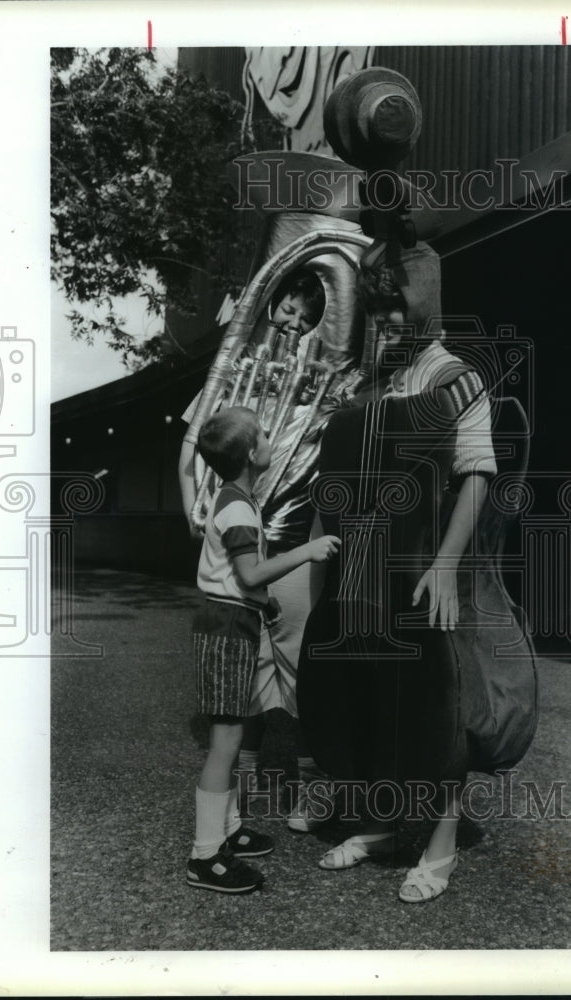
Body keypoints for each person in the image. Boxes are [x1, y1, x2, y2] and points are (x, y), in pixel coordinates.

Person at [297, 241, 501, 903]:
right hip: (360, 568)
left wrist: (444, 565)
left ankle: (440, 843)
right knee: (370, 696)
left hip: (423, 565)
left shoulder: (458, 378)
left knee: (435, 702)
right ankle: (383, 824)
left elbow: (476, 475)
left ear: (423, 309)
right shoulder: (370, 383)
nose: (383, 323)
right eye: (375, 311)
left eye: (394, 309)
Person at [179, 270, 362, 831]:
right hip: (239, 543)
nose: (291, 322)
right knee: (247, 672)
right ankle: (245, 792)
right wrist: (192, 506)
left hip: (292, 539)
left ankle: (312, 789)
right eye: (286, 308)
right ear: (271, 304)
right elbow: (191, 442)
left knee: (302, 666)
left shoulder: (326, 385)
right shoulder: (237, 372)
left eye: (307, 318)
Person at [186, 405, 340, 893]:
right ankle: (204, 855)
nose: (275, 441)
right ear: (253, 453)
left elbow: (241, 577)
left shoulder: (237, 498)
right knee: (225, 744)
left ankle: (228, 832)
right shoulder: (237, 506)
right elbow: (249, 573)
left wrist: (266, 604)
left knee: (232, 737)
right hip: (226, 627)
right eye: (267, 436)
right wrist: (305, 552)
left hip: (237, 619)